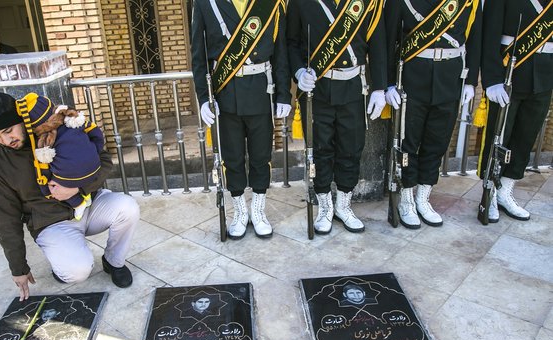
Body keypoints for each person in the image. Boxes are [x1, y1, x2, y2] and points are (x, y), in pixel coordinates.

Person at [0, 92, 140, 300]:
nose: (6, 140)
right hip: (51, 223)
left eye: (8, 131)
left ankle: (113, 261)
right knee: (77, 271)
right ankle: (63, 263)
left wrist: (77, 189)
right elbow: (5, 218)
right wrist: (18, 268)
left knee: (127, 207)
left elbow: (104, 160)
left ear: (21, 120)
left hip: (87, 204)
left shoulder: (58, 130)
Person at [191, 0, 291, 239]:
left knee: (261, 156)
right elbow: (199, 56)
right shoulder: (206, 4)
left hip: (260, 92)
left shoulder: (271, 4)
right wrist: (204, 98)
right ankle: (239, 212)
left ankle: (258, 211)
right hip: (226, 96)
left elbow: (280, 53)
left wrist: (284, 95)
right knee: (232, 158)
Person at [287, 0, 387, 234]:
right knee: (321, 151)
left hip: (353, 87)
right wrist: (299, 70)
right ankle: (324, 206)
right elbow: (291, 42)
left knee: (351, 149)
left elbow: (378, 43)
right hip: (316, 89)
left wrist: (380, 88)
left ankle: (344, 205)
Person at [385, 0, 482, 229]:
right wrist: (389, 83)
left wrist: (470, 81)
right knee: (408, 143)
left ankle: (423, 197)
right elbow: (389, 39)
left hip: (450, 77)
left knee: (437, 142)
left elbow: (475, 37)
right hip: (413, 76)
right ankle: (407, 198)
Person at [479, 0, 553, 222]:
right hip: (508, 75)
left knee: (525, 137)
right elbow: (490, 34)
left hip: (544, 76)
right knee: (498, 137)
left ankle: (505, 191)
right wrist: (491, 80)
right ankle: (489, 191)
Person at [18, 92, 102, 220]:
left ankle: (78, 203)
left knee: (54, 185)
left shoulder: (43, 142)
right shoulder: (73, 120)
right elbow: (96, 133)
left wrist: (47, 191)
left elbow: (42, 170)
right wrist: (95, 150)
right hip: (95, 166)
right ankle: (87, 195)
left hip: (69, 179)